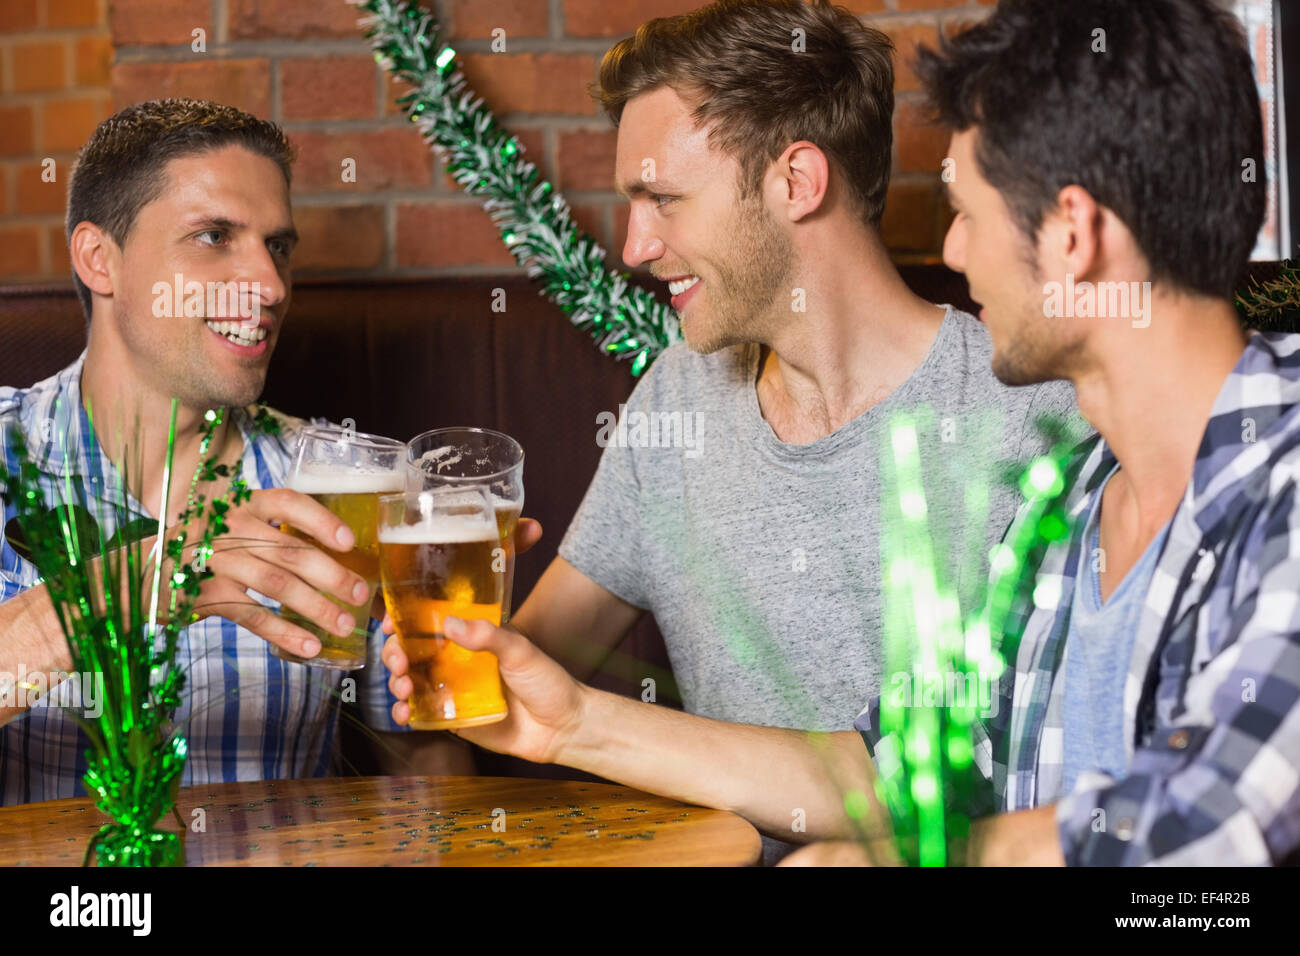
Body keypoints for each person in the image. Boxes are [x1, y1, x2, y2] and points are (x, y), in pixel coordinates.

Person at [383, 0, 1300, 865]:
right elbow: (895, 773)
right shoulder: (1070, 515)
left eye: (969, 215)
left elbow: (1210, 836)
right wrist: (574, 722)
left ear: (1073, 237)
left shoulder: (1272, 477)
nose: (950, 253)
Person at [0, 98, 538, 804]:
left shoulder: (337, 484)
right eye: (214, 236)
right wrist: (118, 592)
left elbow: (422, 764)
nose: (272, 287)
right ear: (100, 260)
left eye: (277, 247)